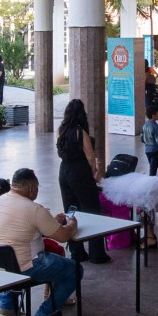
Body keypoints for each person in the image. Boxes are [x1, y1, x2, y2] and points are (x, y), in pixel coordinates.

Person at [0, 169, 80, 316]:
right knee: (74, 270)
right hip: (24, 268)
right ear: (31, 189)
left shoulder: (0, 201)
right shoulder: (34, 209)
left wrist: (51, 222)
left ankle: (8, 305)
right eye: (37, 187)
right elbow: (64, 236)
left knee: (20, 253)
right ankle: (44, 315)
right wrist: (72, 224)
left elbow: (21, 231)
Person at [56, 99, 112, 263]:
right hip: (79, 172)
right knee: (92, 210)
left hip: (64, 171)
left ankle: (76, 251)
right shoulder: (80, 132)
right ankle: (96, 253)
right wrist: (93, 173)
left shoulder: (62, 130)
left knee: (71, 210)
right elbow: (90, 157)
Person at [141, 104, 158, 174]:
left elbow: (142, 139)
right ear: (153, 115)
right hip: (155, 150)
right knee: (153, 169)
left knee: (152, 165)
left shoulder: (145, 125)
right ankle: (152, 181)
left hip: (147, 149)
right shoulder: (156, 127)